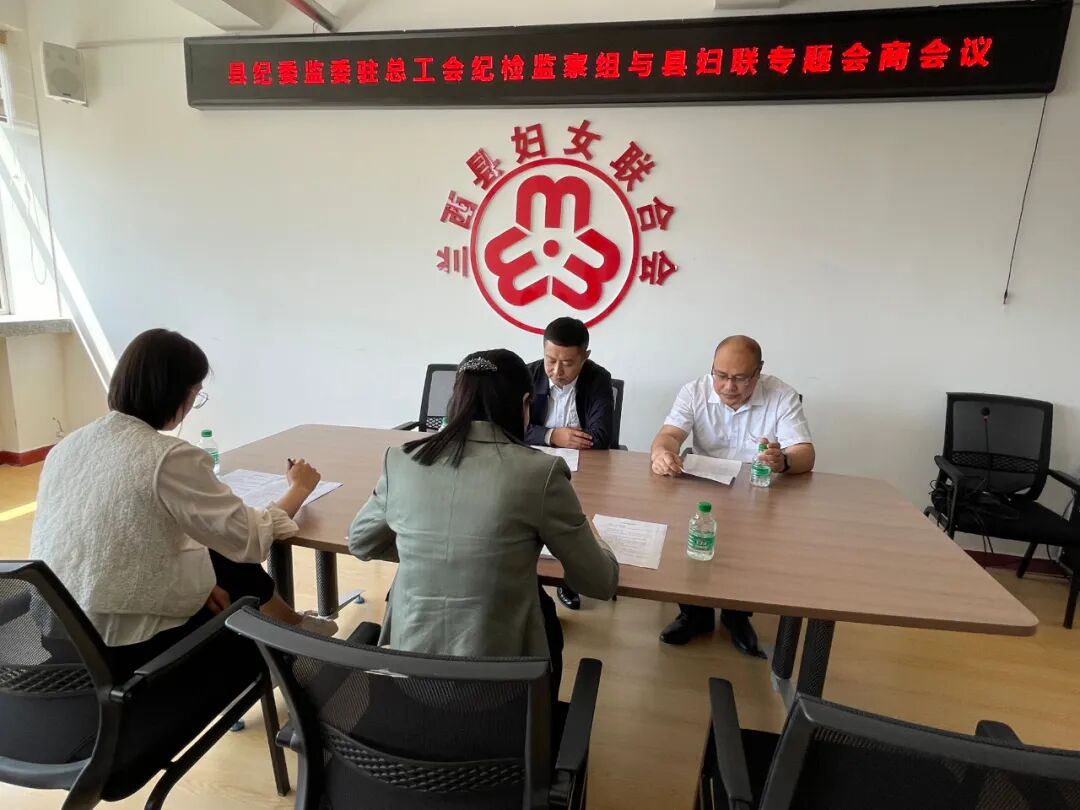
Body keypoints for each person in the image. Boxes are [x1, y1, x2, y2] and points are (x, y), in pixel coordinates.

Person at [29, 328, 336, 679]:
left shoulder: (67, 446)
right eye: (196, 394)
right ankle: (295, 646)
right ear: (176, 393)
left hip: (58, 631)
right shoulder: (168, 457)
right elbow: (249, 540)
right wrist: (299, 488)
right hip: (125, 650)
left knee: (212, 549)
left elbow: (107, 541)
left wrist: (197, 586)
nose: (192, 406)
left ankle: (293, 627)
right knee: (230, 552)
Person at [348, 349, 619, 697]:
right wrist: (594, 536)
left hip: (410, 678)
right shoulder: (539, 472)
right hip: (501, 691)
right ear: (525, 403)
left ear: (455, 398)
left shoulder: (403, 460)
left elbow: (361, 541)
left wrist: (432, 547)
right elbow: (599, 581)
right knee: (545, 611)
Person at [650, 335, 814, 656]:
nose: (728, 386)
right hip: (704, 487)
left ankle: (736, 616)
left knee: (749, 550)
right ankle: (694, 615)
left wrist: (784, 461)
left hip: (756, 494)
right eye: (721, 375)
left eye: (740, 378)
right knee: (690, 538)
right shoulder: (694, 391)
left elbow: (805, 454)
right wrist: (662, 453)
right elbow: (669, 435)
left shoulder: (781, 395)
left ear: (758, 372)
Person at [525, 316, 616, 611]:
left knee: (574, 521)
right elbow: (511, 428)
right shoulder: (528, 375)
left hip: (583, 470)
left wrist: (541, 435)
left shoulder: (598, 378)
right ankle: (532, 577)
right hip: (533, 467)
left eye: (567, 363)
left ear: (584, 357)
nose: (557, 371)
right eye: (551, 360)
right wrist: (552, 435)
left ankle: (570, 579)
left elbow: (600, 437)